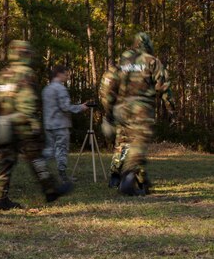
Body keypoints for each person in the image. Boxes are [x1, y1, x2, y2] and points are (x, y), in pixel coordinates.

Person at [0, 40, 72, 210]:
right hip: (23, 124)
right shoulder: (26, 73)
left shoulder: (2, 75)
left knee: (6, 161)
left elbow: (0, 101)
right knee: (36, 159)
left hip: (5, 124)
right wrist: (32, 121)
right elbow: (28, 100)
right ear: (24, 54)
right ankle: (50, 190)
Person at [100, 32, 175, 195]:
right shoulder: (152, 62)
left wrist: (108, 112)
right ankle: (128, 177)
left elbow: (107, 88)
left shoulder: (121, 63)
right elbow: (164, 86)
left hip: (122, 110)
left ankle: (134, 180)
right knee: (138, 145)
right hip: (141, 110)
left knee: (124, 143)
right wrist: (171, 109)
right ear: (148, 45)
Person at [41, 65, 88, 182]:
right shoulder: (60, 89)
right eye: (66, 75)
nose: (67, 77)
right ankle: (63, 176)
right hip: (60, 125)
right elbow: (65, 107)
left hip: (48, 124)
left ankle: (40, 169)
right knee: (61, 150)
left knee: (49, 150)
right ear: (59, 74)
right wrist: (81, 107)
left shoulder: (46, 89)